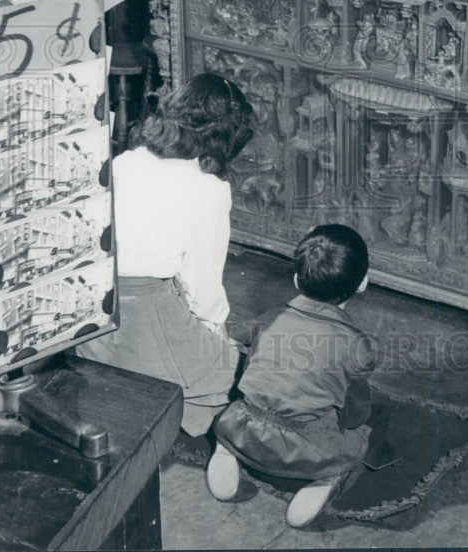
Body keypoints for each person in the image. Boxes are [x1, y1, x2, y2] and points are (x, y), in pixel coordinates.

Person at [74, 72, 254, 436]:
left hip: (91, 312)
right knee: (239, 375)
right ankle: (217, 437)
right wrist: (215, 336)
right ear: (225, 137)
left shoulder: (128, 161)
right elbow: (203, 289)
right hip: (144, 315)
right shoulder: (209, 190)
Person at [207, 224, 391, 527]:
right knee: (360, 436)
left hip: (245, 430)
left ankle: (227, 450)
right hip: (307, 451)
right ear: (363, 283)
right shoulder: (357, 345)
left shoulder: (269, 318)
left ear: (296, 279)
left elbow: (252, 373)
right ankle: (325, 481)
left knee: (237, 413)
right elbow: (355, 410)